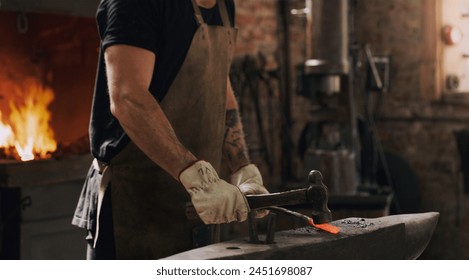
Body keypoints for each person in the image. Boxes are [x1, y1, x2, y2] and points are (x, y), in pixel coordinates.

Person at [72, 0, 269, 260]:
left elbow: (220, 85)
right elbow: (128, 98)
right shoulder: (137, 5)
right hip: (133, 208)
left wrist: (241, 166)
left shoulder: (223, 6)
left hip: (196, 209)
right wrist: (199, 178)